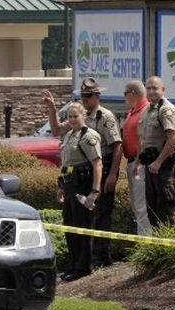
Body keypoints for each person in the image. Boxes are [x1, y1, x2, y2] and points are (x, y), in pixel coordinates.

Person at [43, 78, 122, 268]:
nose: (85, 99)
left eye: (89, 95)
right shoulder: (77, 117)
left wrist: (112, 174)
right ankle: (83, 260)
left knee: (101, 213)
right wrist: (52, 109)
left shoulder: (105, 116)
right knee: (80, 218)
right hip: (82, 174)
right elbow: (56, 130)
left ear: (97, 96)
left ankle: (100, 257)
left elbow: (117, 145)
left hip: (102, 167)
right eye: (83, 95)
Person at [54, 101, 102, 282]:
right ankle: (73, 264)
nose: (73, 119)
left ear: (84, 116)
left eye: (76, 116)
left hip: (83, 187)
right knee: (70, 227)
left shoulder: (88, 136)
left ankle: (83, 267)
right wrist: (61, 188)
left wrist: (94, 192)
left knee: (83, 227)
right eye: (70, 117)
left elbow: (97, 164)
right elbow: (67, 166)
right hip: (70, 186)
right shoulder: (69, 135)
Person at [135, 76, 175, 227]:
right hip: (150, 166)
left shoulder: (166, 110)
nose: (151, 91)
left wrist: (158, 162)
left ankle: (168, 241)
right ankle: (156, 240)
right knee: (152, 209)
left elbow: (173, 139)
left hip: (164, 166)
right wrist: (138, 163)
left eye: (155, 88)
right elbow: (143, 139)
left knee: (166, 209)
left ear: (163, 90)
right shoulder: (146, 111)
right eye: (148, 88)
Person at [121, 80, 152, 236]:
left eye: (125, 94)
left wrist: (138, 162)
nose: (124, 98)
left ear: (133, 93)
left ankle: (145, 241)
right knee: (136, 205)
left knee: (142, 205)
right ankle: (142, 238)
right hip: (132, 162)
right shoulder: (132, 111)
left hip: (141, 163)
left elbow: (144, 139)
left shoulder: (146, 111)